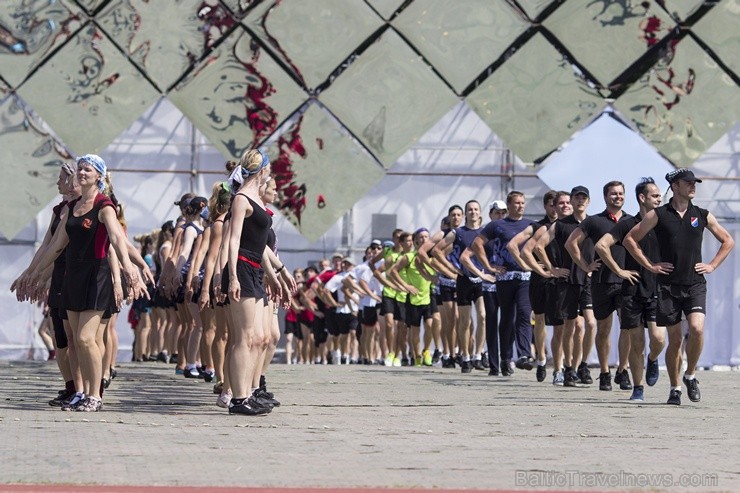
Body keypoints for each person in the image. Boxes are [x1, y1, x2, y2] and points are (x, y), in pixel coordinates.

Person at [21, 155, 143, 412]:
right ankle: (83, 393)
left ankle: (95, 395)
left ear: (99, 175)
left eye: (88, 169)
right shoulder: (73, 207)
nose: (82, 172)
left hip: (95, 276)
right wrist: (33, 274)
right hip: (72, 276)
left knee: (88, 338)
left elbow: (118, 240)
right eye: (80, 169)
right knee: (77, 339)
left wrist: (129, 268)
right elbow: (55, 246)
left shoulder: (104, 206)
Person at [624, 169, 734, 406]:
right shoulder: (659, 214)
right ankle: (675, 389)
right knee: (674, 340)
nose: (693, 186)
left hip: (695, 283)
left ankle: (690, 374)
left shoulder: (702, 214)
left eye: (695, 183)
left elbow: (728, 240)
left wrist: (713, 265)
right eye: (688, 183)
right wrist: (650, 265)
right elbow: (630, 239)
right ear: (675, 186)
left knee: (696, 328)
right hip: (667, 286)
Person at [595, 177, 666, 402]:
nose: (659, 199)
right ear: (642, 198)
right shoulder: (627, 224)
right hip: (632, 290)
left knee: (658, 339)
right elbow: (601, 245)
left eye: (660, 195)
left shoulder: (665, 222)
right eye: (655, 195)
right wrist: (620, 271)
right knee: (636, 342)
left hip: (657, 289)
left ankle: (653, 360)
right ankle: (638, 388)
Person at [225, 149, 279, 415]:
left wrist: (275, 273)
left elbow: (263, 244)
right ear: (263, 170)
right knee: (244, 337)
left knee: (259, 338)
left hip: (256, 268)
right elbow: (232, 240)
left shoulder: (256, 198)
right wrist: (232, 276)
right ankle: (238, 398)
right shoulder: (241, 199)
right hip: (243, 268)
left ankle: (250, 391)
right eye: (269, 170)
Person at [566, 181, 632, 391]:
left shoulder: (632, 221)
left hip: (627, 281)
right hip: (601, 281)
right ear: (605, 197)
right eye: (613, 194)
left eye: (621, 193)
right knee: (603, 329)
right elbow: (571, 243)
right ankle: (605, 372)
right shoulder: (594, 221)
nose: (618, 197)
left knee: (629, 328)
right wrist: (585, 266)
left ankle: (623, 369)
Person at [469, 192, 535, 375]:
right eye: (517, 203)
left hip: (525, 278)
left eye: (523, 203)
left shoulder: (530, 225)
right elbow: (476, 244)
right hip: (505, 279)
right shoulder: (497, 225)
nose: (520, 206)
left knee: (523, 313)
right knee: (506, 318)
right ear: (509, 204)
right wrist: (488, 266)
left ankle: (523, 354)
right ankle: (505, 358)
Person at [504, 191, 559, 381]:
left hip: (561, 278)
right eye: (552, 204)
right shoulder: (537, 226)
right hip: (540, 278)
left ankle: (561, 366)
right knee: (540, 320)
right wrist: (529, 266)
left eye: (557, 204)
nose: (555, 208)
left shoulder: (566, 227)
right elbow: (512, 245)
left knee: (563, 324)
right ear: (545, 206)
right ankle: (542, 359)